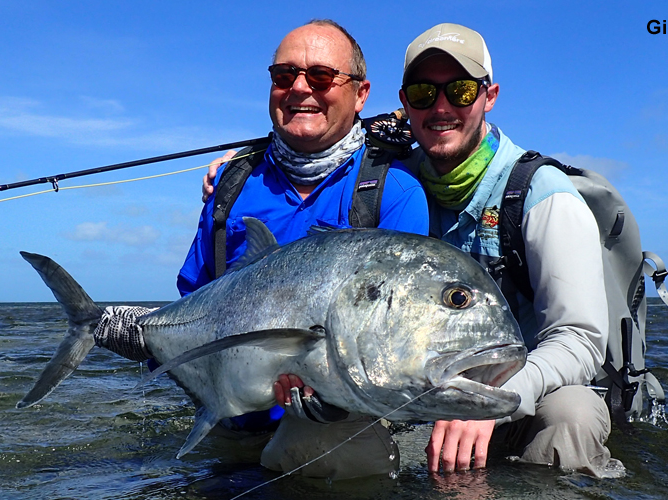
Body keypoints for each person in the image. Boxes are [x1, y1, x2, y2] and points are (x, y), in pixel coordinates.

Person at [208, 23, 621, 478]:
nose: (441, 107)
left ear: (490, 95)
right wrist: (243, 166)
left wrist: (493, 406)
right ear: (405, 104)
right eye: (424, 93)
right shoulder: (393, 176)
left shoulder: (544, 195)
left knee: (572, 419)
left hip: (523, 390)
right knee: (314, 442)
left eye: (461, 91)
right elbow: (317, 140)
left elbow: (581, 341)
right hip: (417, 391)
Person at [102, 19, 428, 480]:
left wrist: (327, 401)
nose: (299, 89)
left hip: (336, 433)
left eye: (320, 77)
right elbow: (192, 303)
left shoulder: (394, 193)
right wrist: (140, 334)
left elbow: (395, 345)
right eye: (283, 76)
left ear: (360, 94)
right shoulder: (231, 186)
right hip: (229, 421)